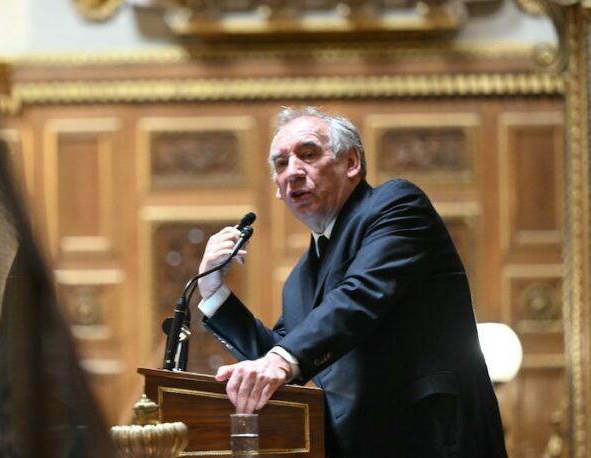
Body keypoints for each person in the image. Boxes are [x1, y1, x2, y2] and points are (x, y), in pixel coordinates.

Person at [197, 106, 507, 457]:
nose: (293, 172)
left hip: (434, 438)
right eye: (281, 164)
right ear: (278, 192)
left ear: (351, 162)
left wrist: (281, 361)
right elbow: (283, 354)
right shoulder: (300, 278)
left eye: (308, 154)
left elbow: (361, 295)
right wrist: (213, 291)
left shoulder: (395, 206)